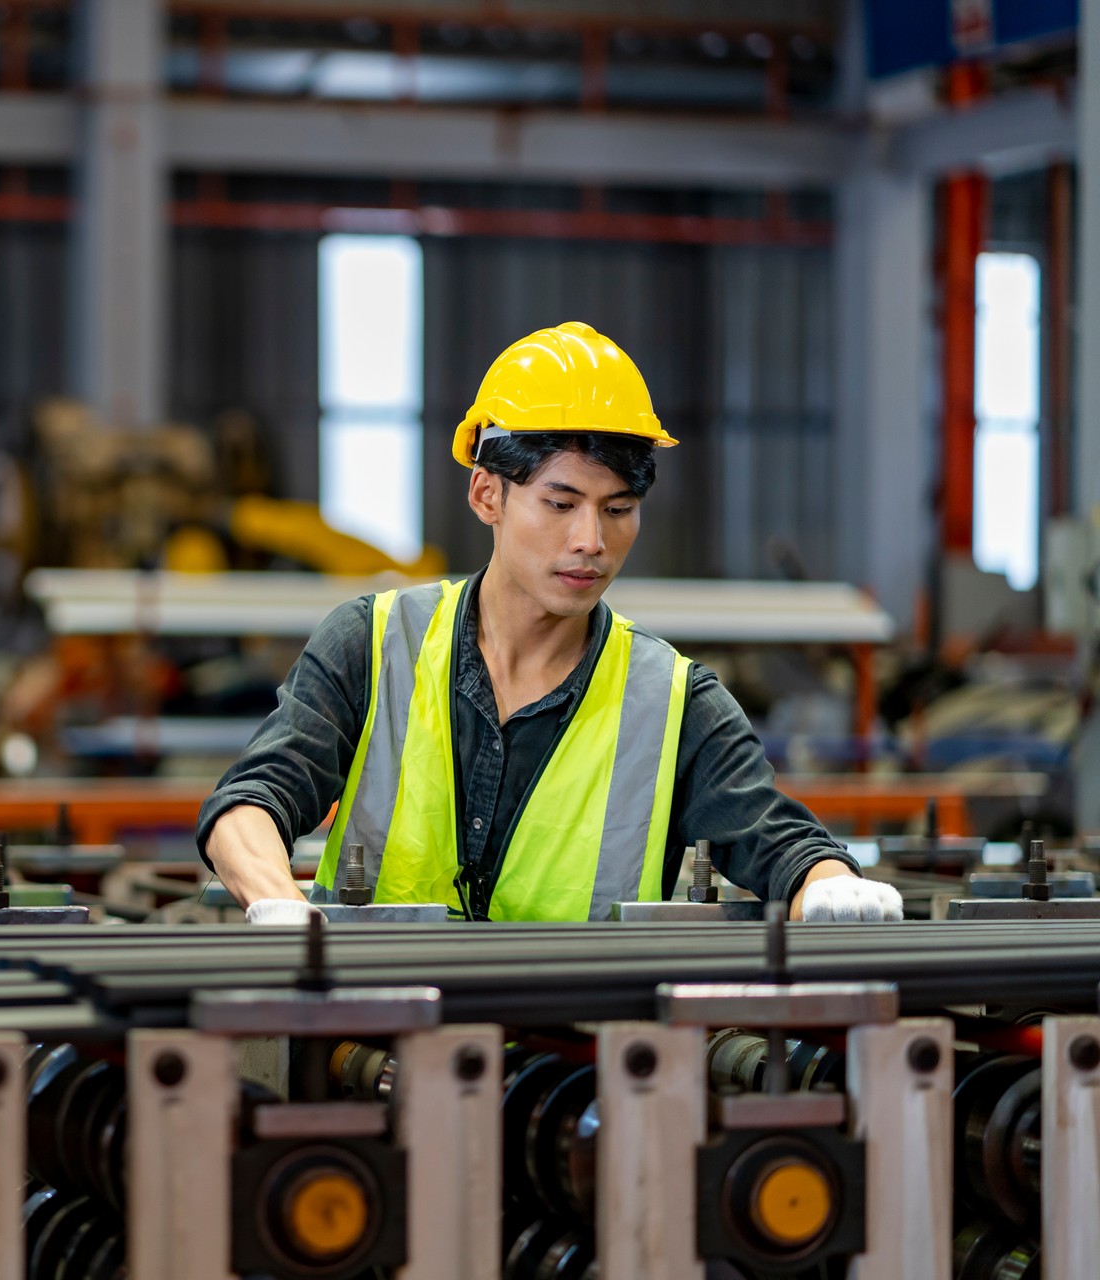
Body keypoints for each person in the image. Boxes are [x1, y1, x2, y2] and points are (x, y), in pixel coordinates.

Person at [200, 323, 903, 925]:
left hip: (577, 1066)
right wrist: (276, 902)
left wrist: (831, 886)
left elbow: (778, 840)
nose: (591, 540)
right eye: (561, 504)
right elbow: (250, 802)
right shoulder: (374, 644)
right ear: (487, 494)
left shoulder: (673, 702)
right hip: (368, 1042)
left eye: (618, 508)